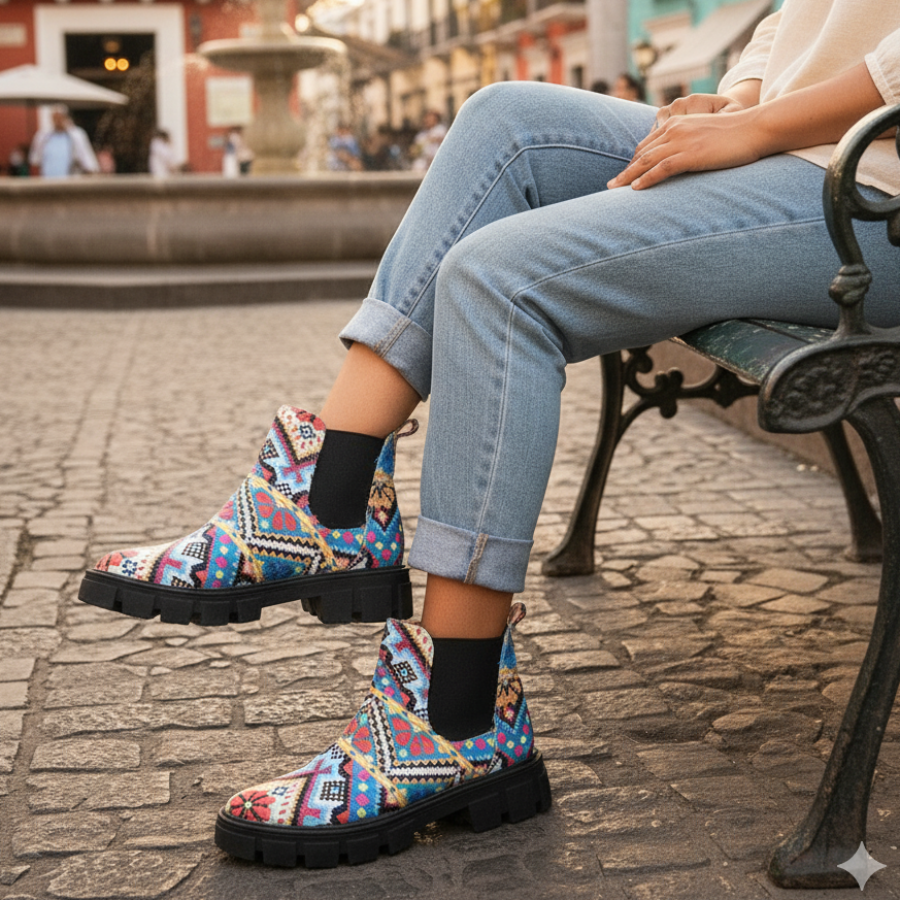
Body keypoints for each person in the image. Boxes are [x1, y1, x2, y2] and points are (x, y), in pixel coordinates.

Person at [79, 0, 900, 868]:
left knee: (498, 281)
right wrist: (740, 99)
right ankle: (328, 498)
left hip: (874, 195)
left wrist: (759, 126)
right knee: (505, 121)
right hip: (808, 153)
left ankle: (457, 713)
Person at [28, 105, 99, 177]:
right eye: (55, 118)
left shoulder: (77, 135)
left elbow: (87, 159)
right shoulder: (42, 136)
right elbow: (35, 161)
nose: (58, 120)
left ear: (66, 117)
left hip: (70, 180)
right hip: (48, 180)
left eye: (60, 117)